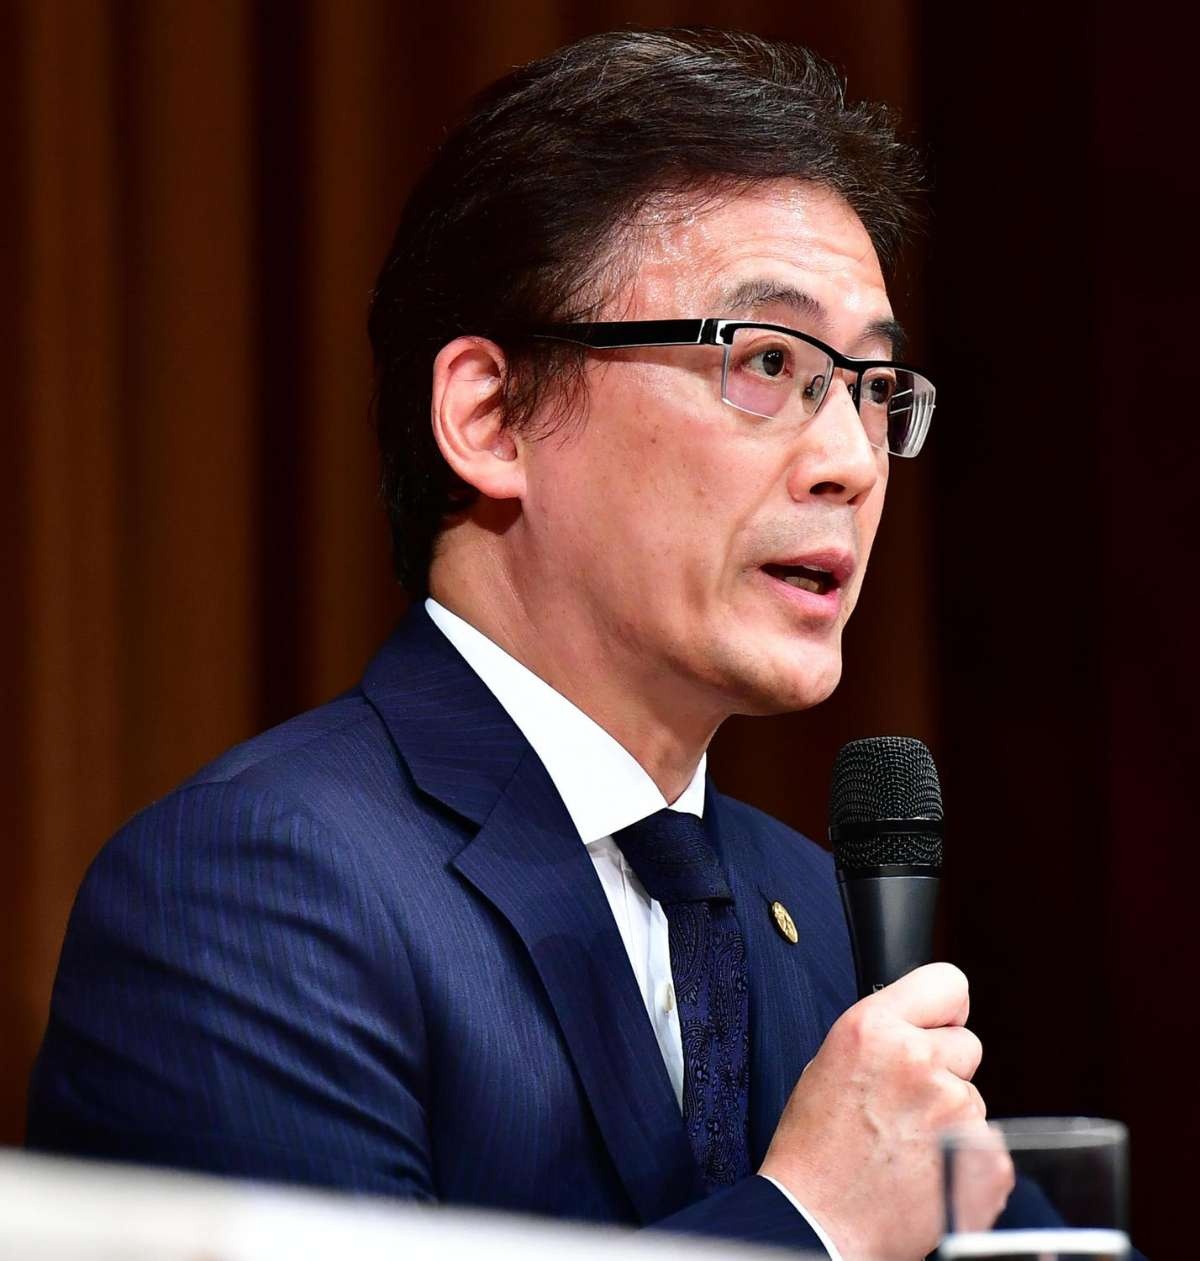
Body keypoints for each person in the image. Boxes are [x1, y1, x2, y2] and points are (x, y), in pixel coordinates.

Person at [28, 28, 1021, 1261]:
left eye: (874, 390)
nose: (852, 462)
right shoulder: (253, 888)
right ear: (492, 416)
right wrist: (808, 1221)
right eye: (768, 361)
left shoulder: (815, 908)